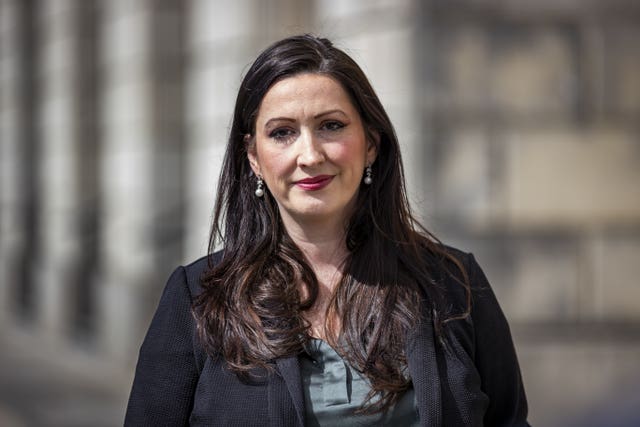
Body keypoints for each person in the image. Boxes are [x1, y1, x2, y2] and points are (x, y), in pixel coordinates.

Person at [125, 34, 529, 426]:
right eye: (282, 132)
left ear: (371, 143)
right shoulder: (196, 297)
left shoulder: (454, 285)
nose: (310, 155)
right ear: (253, 157)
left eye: (331, 126)